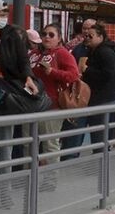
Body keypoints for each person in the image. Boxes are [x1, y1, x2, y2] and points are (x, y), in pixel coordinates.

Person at [0, 0, 38, 180]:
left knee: (5, 145)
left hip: (5, 91)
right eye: (0, 14)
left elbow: (22, 59)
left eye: (5, 14)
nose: (4, 18)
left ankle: (5, 191)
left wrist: (28, 77)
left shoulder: (11, 34)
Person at [27, 23, 79, 161]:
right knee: (28, 145)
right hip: (31, 105)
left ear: (59, 38)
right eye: (44, 34)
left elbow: (74, 75)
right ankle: (29, 179)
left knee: (50, 145)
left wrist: (53, 72)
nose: (47, 38)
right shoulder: (33, 54)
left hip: (52, 106)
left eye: (51, 35)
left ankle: (50, 182)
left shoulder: (62, 53)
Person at [81, 24, 115, 152]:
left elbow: (108, 75)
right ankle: (99, 161)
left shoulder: (105, 52)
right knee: (99, 134)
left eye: (90, 36)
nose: (87, 38)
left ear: (100, 37)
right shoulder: (93, 51)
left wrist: (87, 70)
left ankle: (100, 164)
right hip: (98, 98)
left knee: (100, 135)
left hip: (103, 98)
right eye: (85, 35)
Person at [61, 18, 96, 160]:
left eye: (90, 28)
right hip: (79, 93)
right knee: (76, 124)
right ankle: (71, 154)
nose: (86, 31)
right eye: (84, 28)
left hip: (96, 93)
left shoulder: (101, 48)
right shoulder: (76, 47)